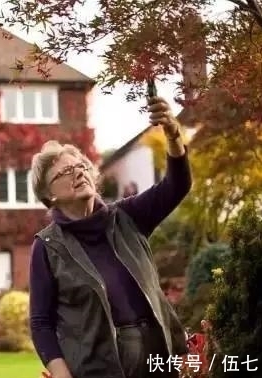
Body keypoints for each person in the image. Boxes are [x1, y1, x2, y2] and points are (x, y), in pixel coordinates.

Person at [29, 96, 191, 378]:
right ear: (49, 196)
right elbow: (41, 322)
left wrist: (173, 133)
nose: (78, 172)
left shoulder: (128, 216)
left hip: (158, 356)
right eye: (65, 172)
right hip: (98, 367)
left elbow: (177, 185)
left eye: (81, 166)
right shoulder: (47, 247)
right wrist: (62, 374)